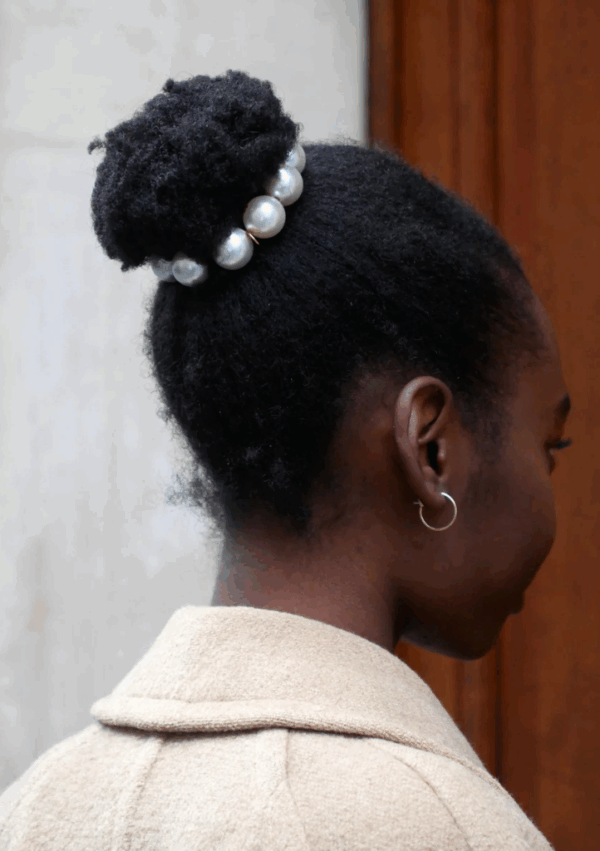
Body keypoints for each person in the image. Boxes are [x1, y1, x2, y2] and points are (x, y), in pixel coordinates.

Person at [0, 70, 570, 850]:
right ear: (431, 448)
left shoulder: (33, 808)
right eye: (552, 446)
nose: (553, 491)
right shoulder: (452, 830)